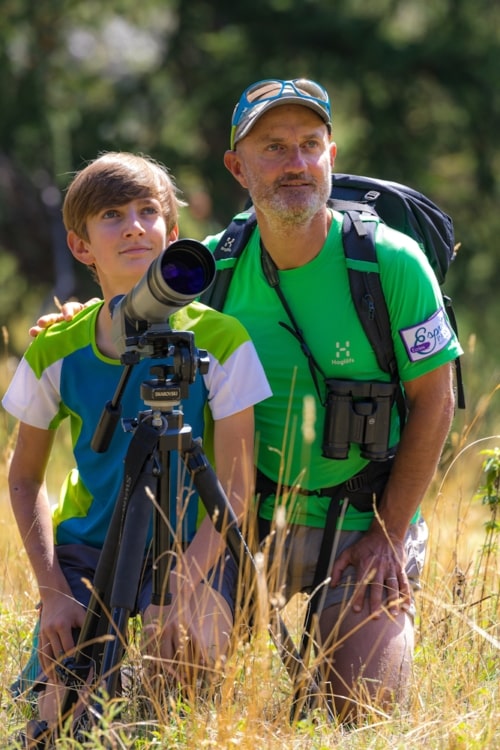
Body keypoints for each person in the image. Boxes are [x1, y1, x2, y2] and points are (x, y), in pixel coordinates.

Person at [29, 79, 463, 722]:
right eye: (274, 147)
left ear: (332, 155)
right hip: (243, 523)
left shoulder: (389, 265)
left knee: (363, 710)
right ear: (238, 166)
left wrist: (389, 534)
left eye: (310, 145)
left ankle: (329, 657)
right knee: (184, 663)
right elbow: (135, 297)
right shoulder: (214, 266)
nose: (296, 162)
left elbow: (438, 401)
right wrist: (73, 317)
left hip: (364, 520)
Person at [3, 152, 271, 728]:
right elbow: (23, 477)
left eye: (149, 212)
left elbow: (236, 484)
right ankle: (68, 688)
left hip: (196, 551)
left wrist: (182, 583)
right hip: (89, 552)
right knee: (62, 714)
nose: (133, 226)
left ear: (172, 235)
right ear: (81, 247)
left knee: (180, 663)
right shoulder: (57, 347)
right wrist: (54, 593)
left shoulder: (221, 340)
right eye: (112, 215)